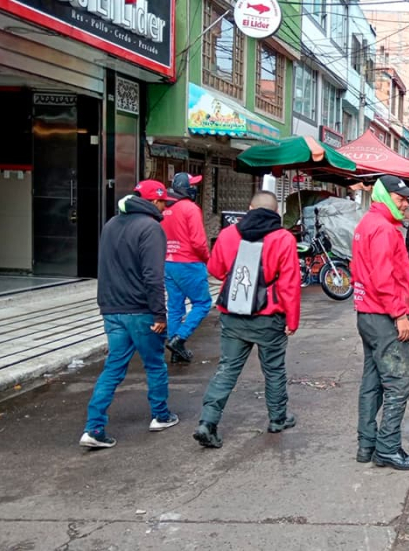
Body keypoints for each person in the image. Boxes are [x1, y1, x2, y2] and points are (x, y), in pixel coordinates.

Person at [193, 191, 301, 449]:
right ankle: (277, 418)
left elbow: (216, 270)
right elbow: (290, 284)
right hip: (269, 317)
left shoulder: (230, 233)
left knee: (227, 368)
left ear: (249, 208)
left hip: (233, 315)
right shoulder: (283, 238)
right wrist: (292, 319)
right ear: (276, 213)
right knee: (273, 370)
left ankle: (208, 421)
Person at [80, 180, 178, 448]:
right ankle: (160, 415)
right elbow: (153, 276)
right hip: (141, 311)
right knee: (155, 364)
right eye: (162, 203)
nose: (164, 208)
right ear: (153, 201)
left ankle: (94, 428)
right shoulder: (151, 229)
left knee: (113, 368)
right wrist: (160, 315)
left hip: (112, 309)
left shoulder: (111, 225)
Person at [351, 175, 409, 470]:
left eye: (406, 199)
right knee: (399, 383)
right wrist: (400, 314)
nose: (405, 204)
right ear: (383, 195)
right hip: (382, 315)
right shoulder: (383, 229)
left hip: (366, 312)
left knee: (372, 381)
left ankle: (367, 444)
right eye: (400, 197)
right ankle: (387, 448)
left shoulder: (368, 223)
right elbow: (383, 278)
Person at [160, 172, 211, 364]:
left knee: (175, 307)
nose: (195, 188)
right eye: (193, 185)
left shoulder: (164, 208)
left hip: (168, 263)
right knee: (202, 303)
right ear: (185, 188)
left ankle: (175, 351)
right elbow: (198, 242)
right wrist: (207, 259)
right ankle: (179, 339)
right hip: (189, 263)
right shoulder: (190, 208)